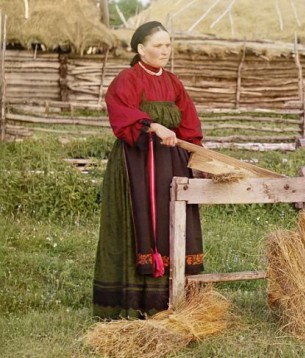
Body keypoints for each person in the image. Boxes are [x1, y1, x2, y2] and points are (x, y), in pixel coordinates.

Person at [93, 21, 205, 319]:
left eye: (168, 45)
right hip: (138, 166)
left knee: (173, 221)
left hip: (172, 164)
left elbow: (189, 123)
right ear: (141, 49)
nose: (164, 51)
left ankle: (175, 300)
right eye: (158, 45)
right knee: (142, 221)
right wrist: (153, 125)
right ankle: (137, 301)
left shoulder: (172, 82)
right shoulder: (127, 79)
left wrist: (196, 153)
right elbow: (122, 116)